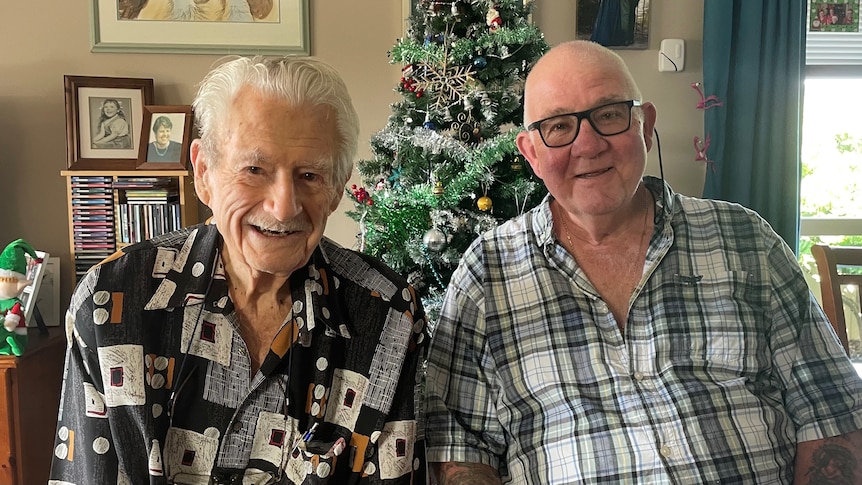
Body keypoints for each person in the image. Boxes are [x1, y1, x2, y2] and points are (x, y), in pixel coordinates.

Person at [425, 40, 862, 484]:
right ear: (531, 152)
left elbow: (831, 412)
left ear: (645, 125)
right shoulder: (486, 275)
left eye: (609, 114)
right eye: (559, 126)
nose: (589, 145)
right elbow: (460, 450)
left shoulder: (747, 240)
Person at [50, 56, 429, 485]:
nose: (284, 206)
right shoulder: (114, 302)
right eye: (254, 169)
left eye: (309, 175)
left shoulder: (386, 315)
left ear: (338, 189)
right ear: (204, 171)